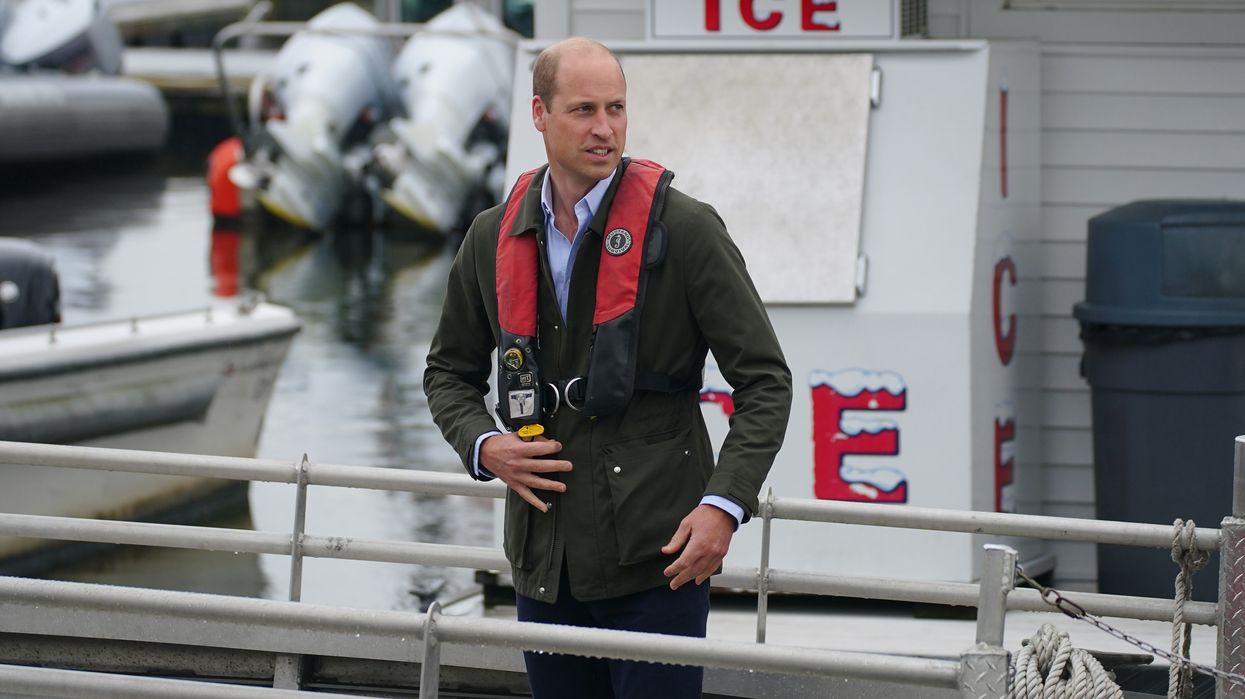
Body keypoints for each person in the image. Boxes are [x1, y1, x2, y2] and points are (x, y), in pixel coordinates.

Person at [423, 36, 791, 699]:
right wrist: (485, 446)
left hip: (659, 561)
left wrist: (723, 505)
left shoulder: (686, 230)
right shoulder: (490, 236)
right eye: (583, 109)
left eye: (616, 108)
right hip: (544, 563)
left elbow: (765, 381)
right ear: (538, 114)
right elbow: (447, 373)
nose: (604, 129)